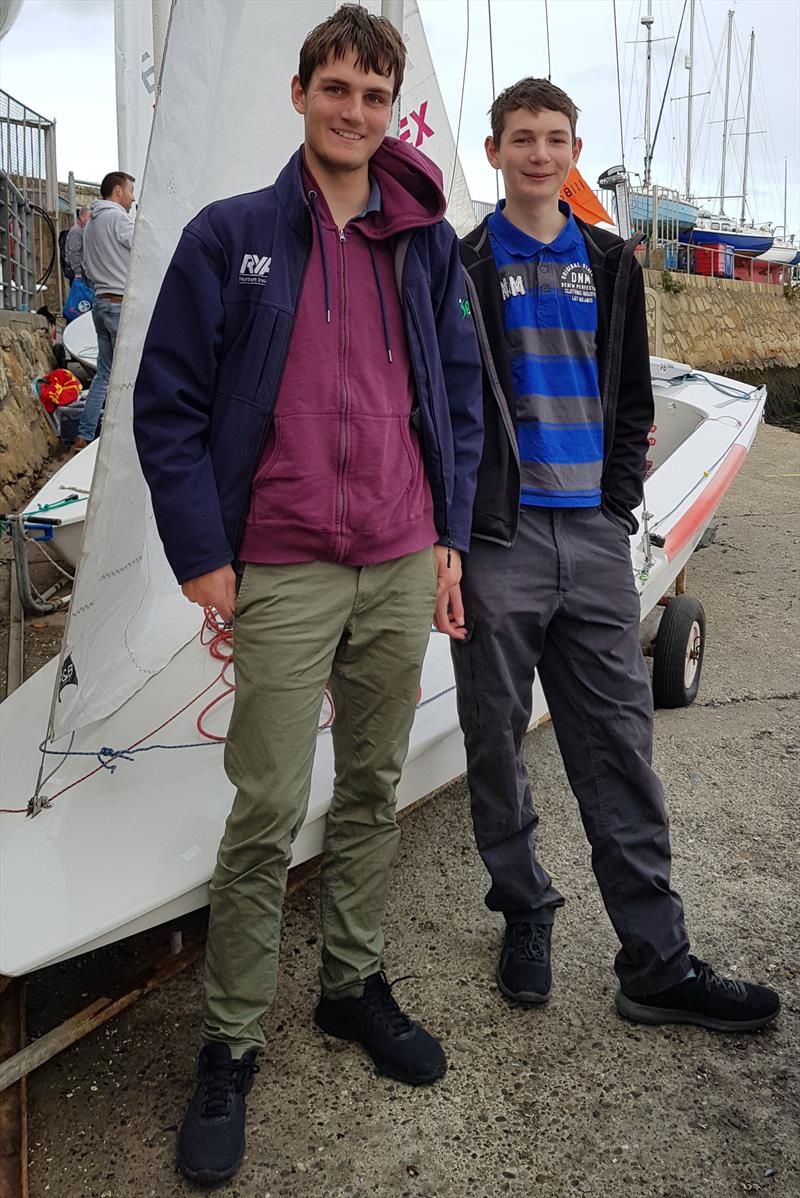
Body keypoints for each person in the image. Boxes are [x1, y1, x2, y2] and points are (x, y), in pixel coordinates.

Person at [133, 6, 482, 1187]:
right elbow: (167, 403)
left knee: (376, 785)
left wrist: (444, 537)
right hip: (278, 562)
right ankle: (230, 1042)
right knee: (266, 806)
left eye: (374, 97)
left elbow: (455, 401)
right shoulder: (231, 234)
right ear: (299, 95)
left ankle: (350, 984)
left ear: (393, 112)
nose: (354, 111)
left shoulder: (423, 240)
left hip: (396, 559)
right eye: (335, 89)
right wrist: (197, 551)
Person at [452, 78, 779, 1035]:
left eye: (555, 139)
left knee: (621, 749)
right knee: (493, 740)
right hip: (500, 541)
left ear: (574, 149)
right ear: (494, 151)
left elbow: (632, 395)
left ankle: (657, 960)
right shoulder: (462, 262)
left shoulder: (609, 256)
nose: (539, 154)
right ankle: (523, 907)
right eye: (522, 139)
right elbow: (452, 410)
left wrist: (613, 510)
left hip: (590, 538)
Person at [73, 172, 135, 449]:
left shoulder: (91, 224)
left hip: (100, 302)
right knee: (134, 371)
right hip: (120, 303)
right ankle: (126, 438)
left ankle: (84, 435)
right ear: (118, 190)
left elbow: (86, 266)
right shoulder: (119, 218)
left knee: (105, 373)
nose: (133, 197)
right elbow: (143, 245)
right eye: (130, 190)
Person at [61, 206, 90, 283]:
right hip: (78, 271)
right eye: (88, 217)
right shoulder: (76, 231)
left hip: (80, 268)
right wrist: (77, 272)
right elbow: (74, 251)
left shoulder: (81, 230)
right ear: (82, 217)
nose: (90, 220)